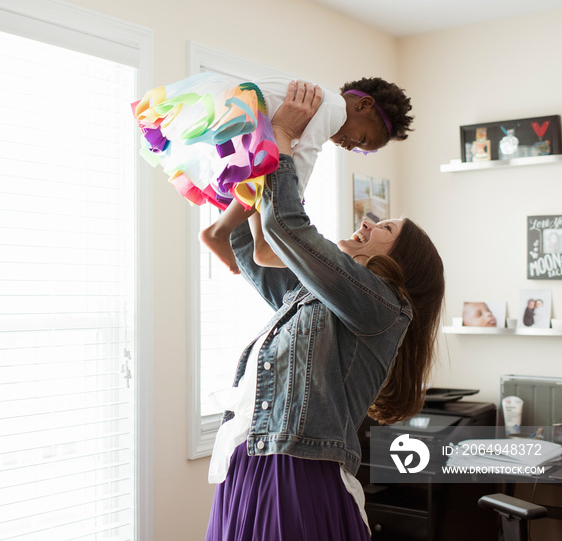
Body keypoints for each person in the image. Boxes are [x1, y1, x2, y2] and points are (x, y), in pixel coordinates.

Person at [205, 81, 445, 541]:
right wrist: (246, 149)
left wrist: (282, 139)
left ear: (399, 262)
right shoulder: (312, 296)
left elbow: (286, 227)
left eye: (385, 226)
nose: (368, 223)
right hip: (250, 460)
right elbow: (247, 245)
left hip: (297, 472)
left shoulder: (382, 306)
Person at [132, 72, 414, 274]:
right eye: (361, 139)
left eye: (358, 148)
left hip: (240, 108)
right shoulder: (336, 109)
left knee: (261, 177)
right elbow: (306, 153)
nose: (350, 145)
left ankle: (260, 244)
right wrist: (293, 199)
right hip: (249, 112)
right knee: (270, 172)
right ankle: (222, 232)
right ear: (362, 105)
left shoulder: (324, 100)